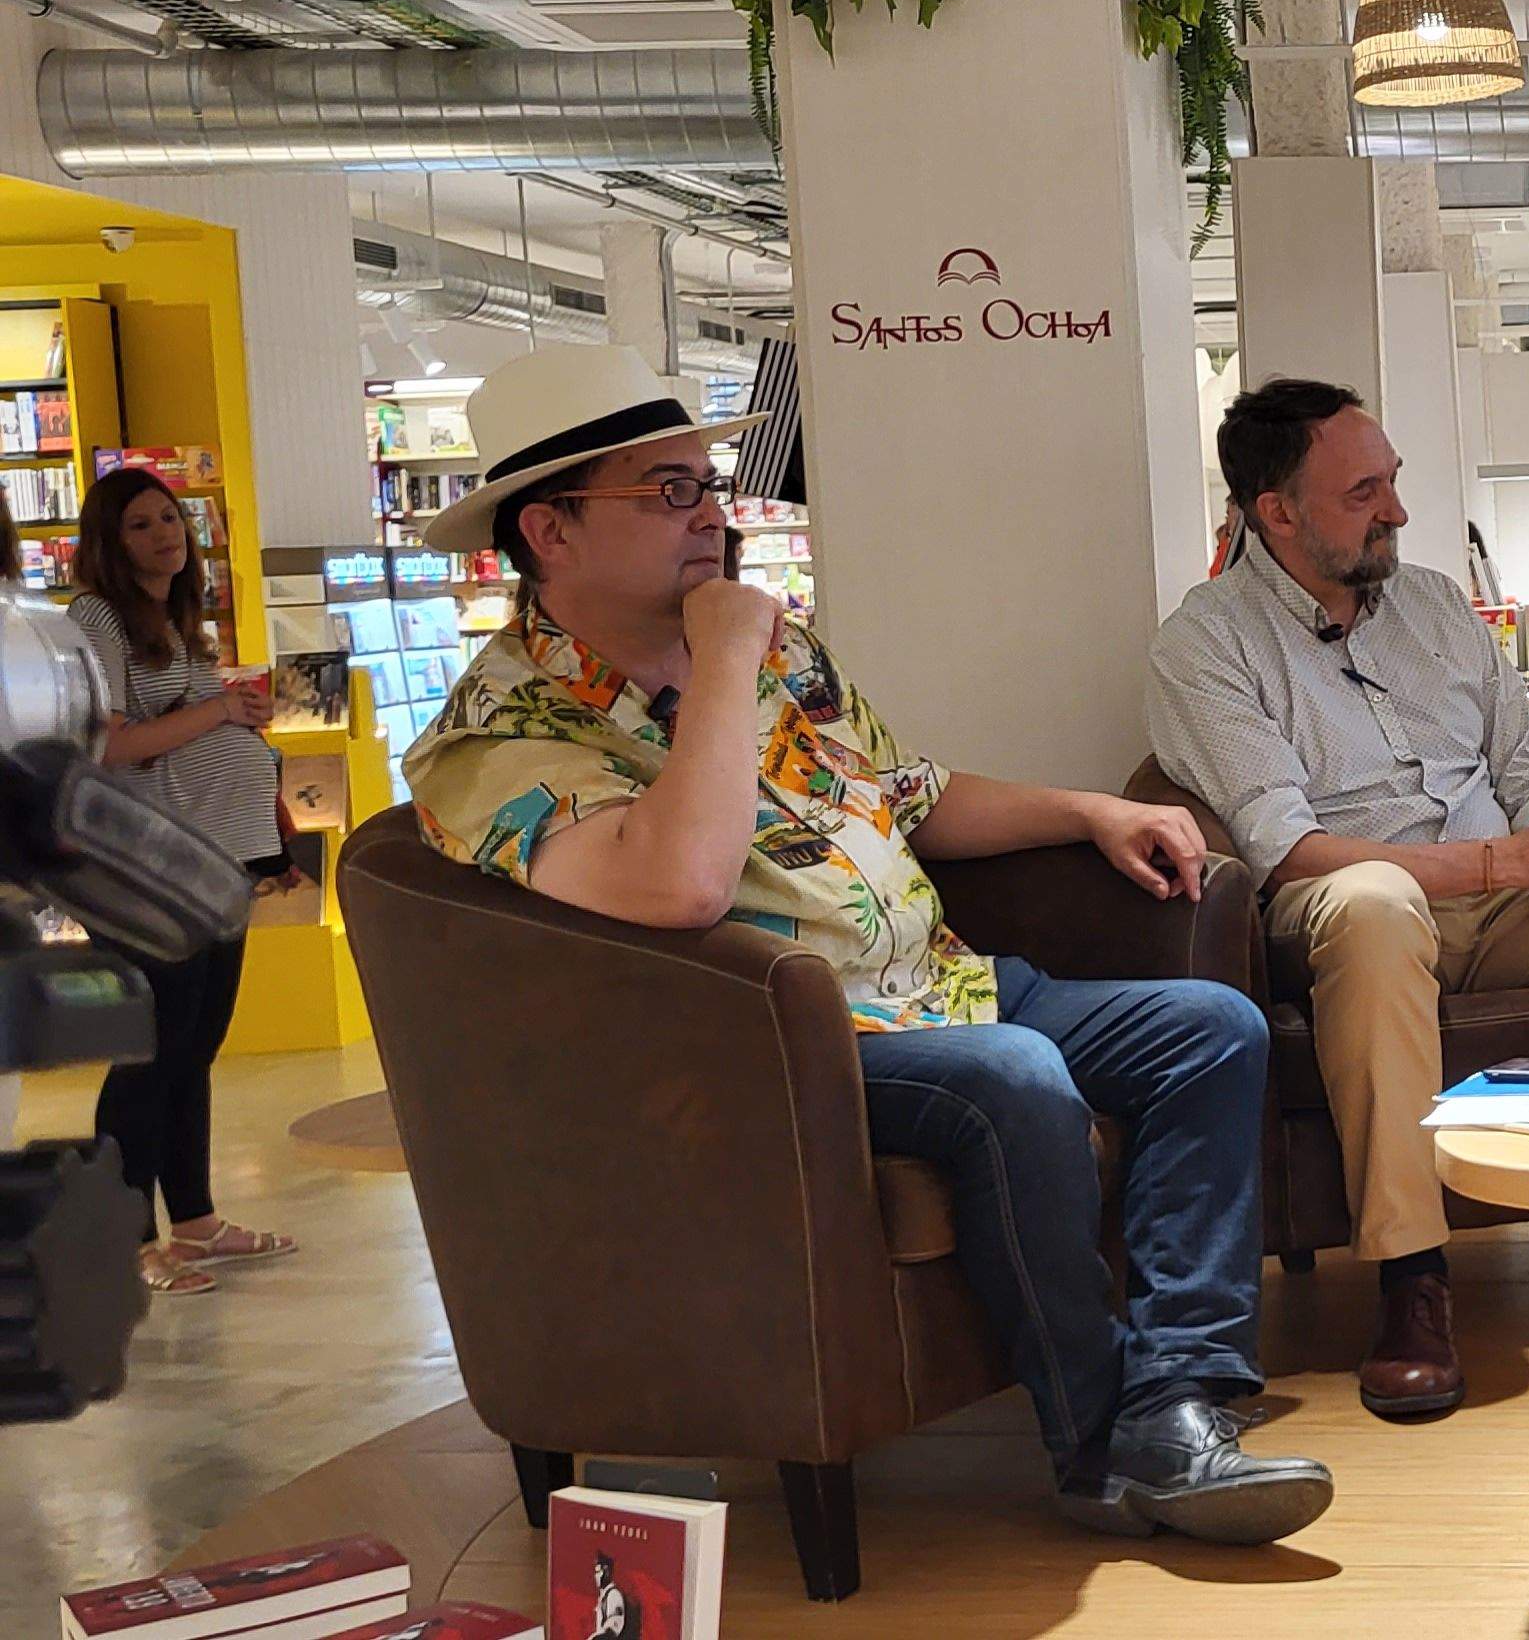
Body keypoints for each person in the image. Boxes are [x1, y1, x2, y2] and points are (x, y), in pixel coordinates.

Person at [403, 343, 1325, 1545]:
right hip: (778, 1052)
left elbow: (905, 793)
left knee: (1210, 1030)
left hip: (942, 987)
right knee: (1012, 1076)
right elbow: (680, 884)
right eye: (670, 492)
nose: (714, 518)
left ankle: (1177, 1398)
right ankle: (1101, 1441)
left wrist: (1089, 809)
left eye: (709, 486)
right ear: (550, 530)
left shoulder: (782, 657)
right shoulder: (495, 738)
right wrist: (723, 661)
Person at [1145, 377, 1529, 1422]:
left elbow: (1521, 766)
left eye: (1392, 482)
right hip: (1350, 908)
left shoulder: (1439, 605)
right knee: (1374, 903)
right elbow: (1288, 852)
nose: (1395, 510)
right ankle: (1412, 1279)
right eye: (1363, 493)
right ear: (1277, 511)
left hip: (1507, 900)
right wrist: (1506, 864)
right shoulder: (1206, 644)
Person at [67, 465, 292, 1298]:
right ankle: (124, 1240)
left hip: (211, 859)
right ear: (109, 541)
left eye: (170, 518)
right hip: (142, 869)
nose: (165, 534)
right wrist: (221, 713)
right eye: (141, 524)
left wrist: (237, 725)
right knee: (149, 1054)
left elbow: (184, 731)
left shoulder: (178, 619)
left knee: (194, 1049)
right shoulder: (97, 618)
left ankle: (194, 1221)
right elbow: (107, 743)